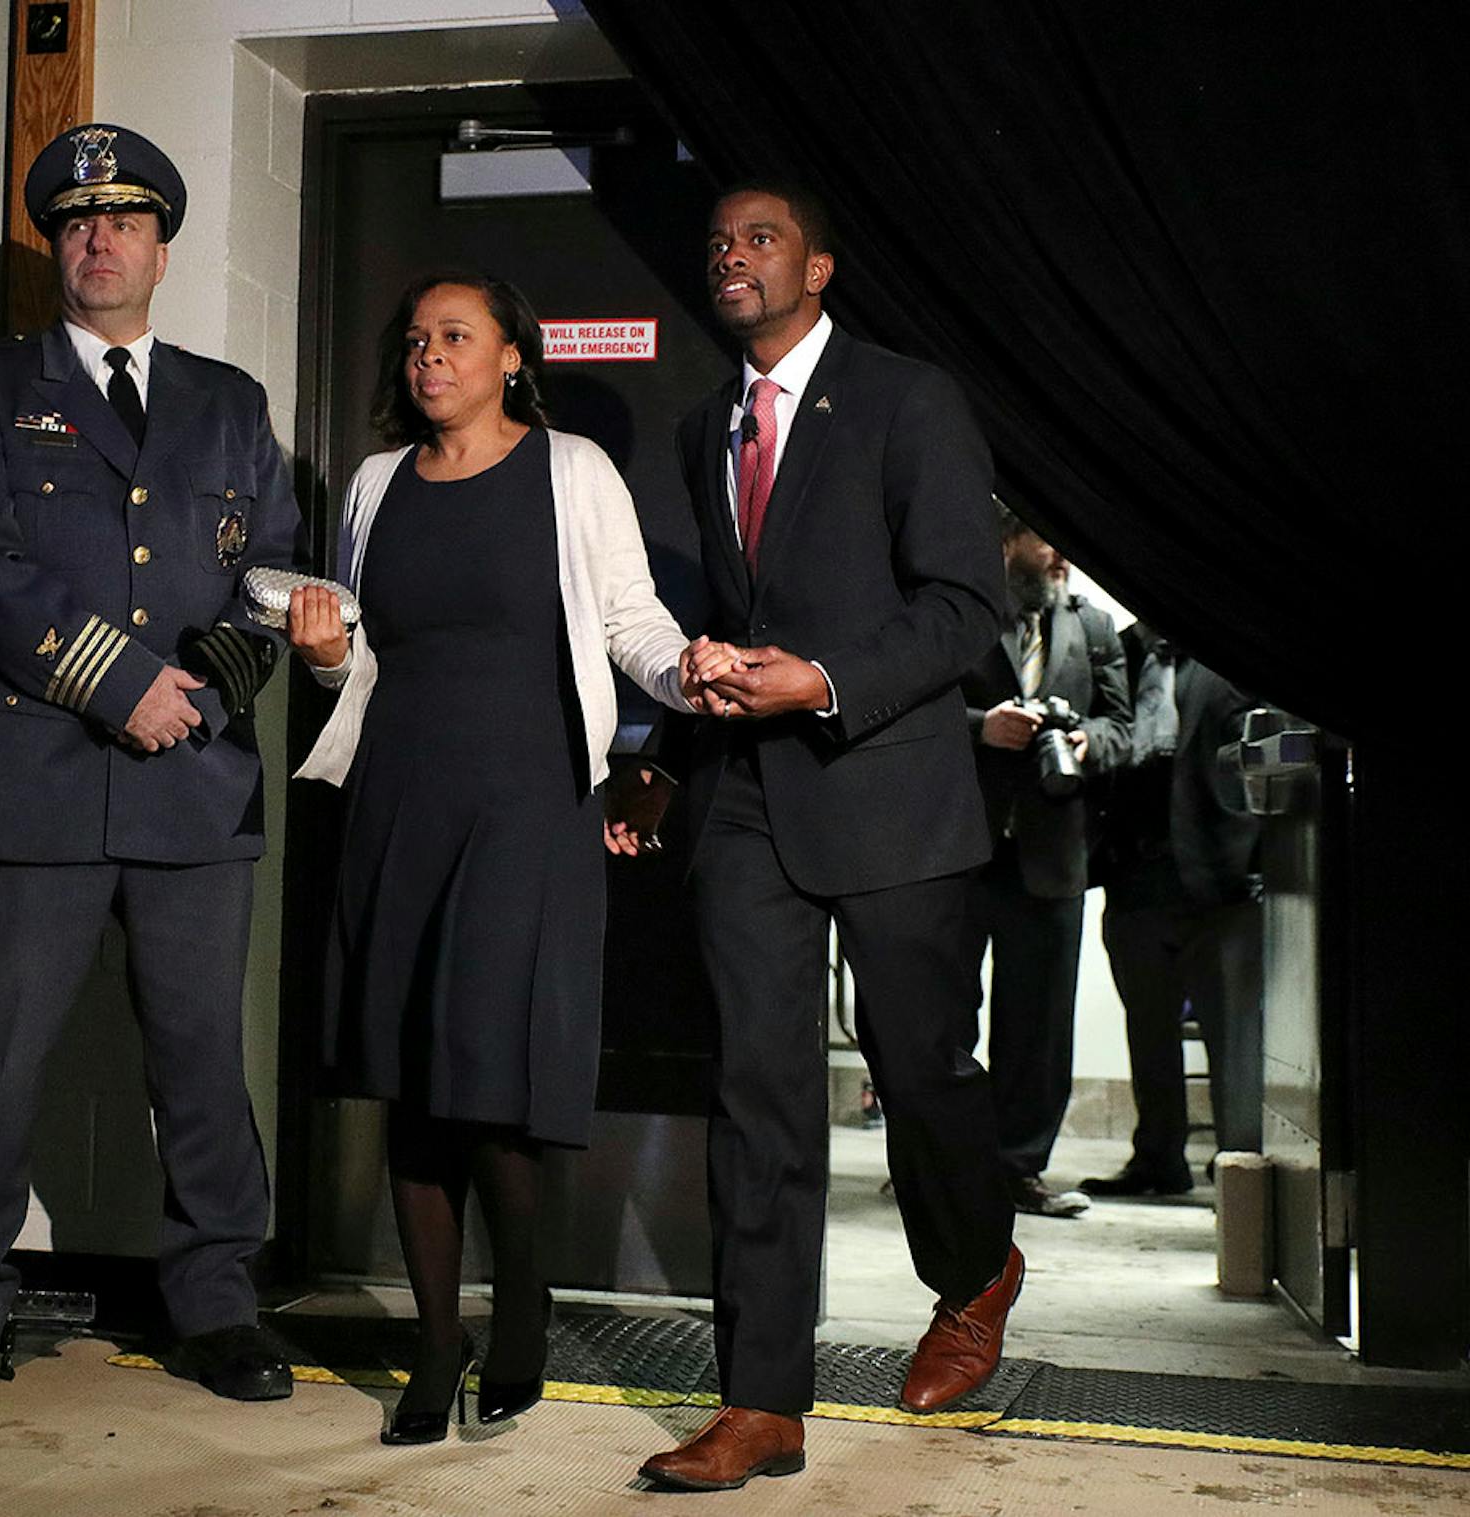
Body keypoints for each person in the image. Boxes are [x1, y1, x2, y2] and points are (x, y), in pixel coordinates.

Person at [611, 181, 1019, 1491]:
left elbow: (966, 614)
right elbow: (718, 617)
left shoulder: (911, 401)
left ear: (821, 266)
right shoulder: (702, 428)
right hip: (743, 801)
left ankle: (976, 1269)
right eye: (721, 240)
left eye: (762, 237)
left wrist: (823, 679)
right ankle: (763, 1403)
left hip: (892, 791)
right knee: (758, 1098)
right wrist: (672, 752)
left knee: (923, 1073)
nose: (733, 254)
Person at [0, 124, 304, 1414]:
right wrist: (116, 681)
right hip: (35, 782)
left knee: (199, 1060)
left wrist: (199, 692)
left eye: (125, 219)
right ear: (55, 243)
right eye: (77, 221)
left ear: (162, 248)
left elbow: (276, 575)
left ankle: (219, 1302)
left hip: (194, 783)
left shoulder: (230, 401)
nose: (100, 238)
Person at [289, 271, 693, 1445]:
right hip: (399, 803)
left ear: (513, 356)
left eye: (456, 337)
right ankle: (432, 1337)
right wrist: (317, 656)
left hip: (527, 809)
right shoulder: (373, 484)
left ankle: (521, 1300)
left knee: (496, 1082)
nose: (430, 357)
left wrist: (688, 678)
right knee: (413, 1085)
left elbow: (630, 622)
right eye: (415, 340)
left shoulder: (572, 473)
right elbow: (353, 658)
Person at [959, 508, 1132, 1218]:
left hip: (1052, 850)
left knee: (1039, 1023)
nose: (1059, 554)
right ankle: (951, 1159)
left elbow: (1124, 725)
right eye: (1046, 540)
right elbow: (914, 710)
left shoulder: (1092, 626)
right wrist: (983, 728)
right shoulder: (961, 615)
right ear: (1008, 543)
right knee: (942, 1016)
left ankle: (1018, 1168)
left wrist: (1089, 742)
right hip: (963, 846)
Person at [1083, 627, 1263, 1196]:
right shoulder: (1121, 652)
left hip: (1218, 879)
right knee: (1148, 1029)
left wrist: (1251, 858)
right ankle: (1158, 1157)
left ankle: (1242, 1172)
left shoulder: (1233, 649)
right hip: (1135, 877)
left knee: (1232, 1035)